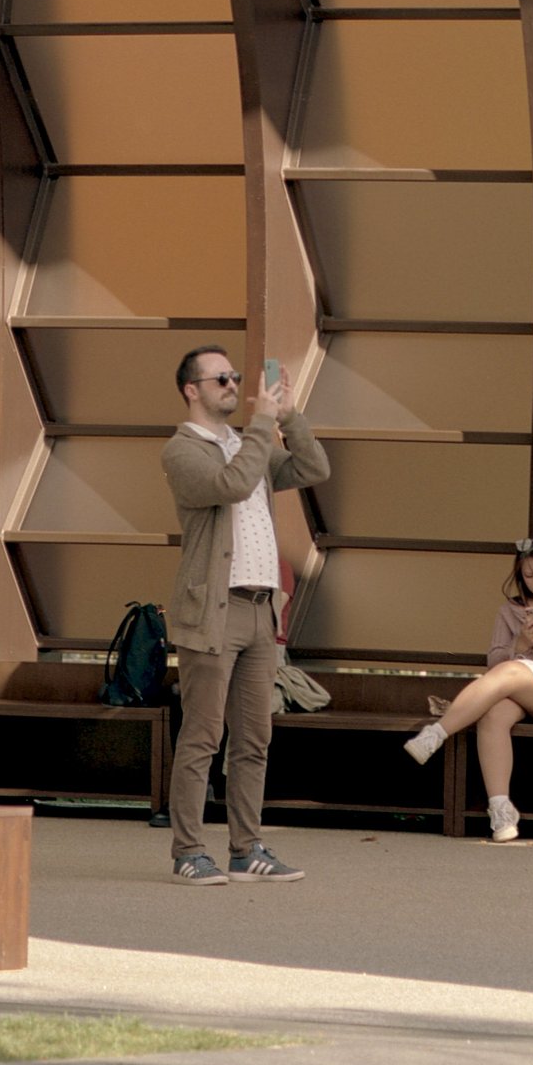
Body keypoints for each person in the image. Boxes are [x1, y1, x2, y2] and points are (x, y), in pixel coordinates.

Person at [161, 347, 328, 883]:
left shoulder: (243, 442)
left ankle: (246, 847)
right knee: (203, 737)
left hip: (260, 610)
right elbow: (230, 485)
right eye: (222, 379)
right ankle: (189, 850)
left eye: (236, 377)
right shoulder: (183, 449)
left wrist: (289, 417)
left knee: (255, 738)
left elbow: (312, 467)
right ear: (192, 389)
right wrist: (260, 426)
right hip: (213, 611)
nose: (233, 384)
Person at [401, 532, 533, 839]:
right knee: (494, 712)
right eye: (529, 575)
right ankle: (502, 812)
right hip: (526, 689)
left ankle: (437, 733)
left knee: (512, 671)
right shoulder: (509, 610)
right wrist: (521, 642)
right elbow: (494, 663)